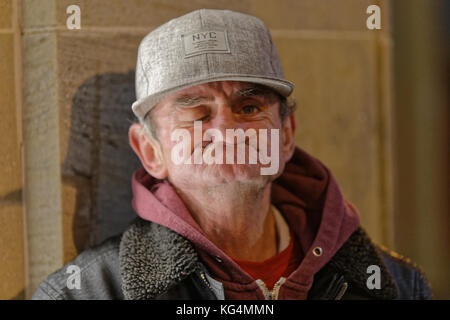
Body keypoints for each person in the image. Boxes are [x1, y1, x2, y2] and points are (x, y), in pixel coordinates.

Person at [33, 9, 431, 300]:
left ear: (286, 134)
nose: (227, 130)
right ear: (150, 151)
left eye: (249, 108)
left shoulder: (393, 285)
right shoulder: (85, 294)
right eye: (197, 114)